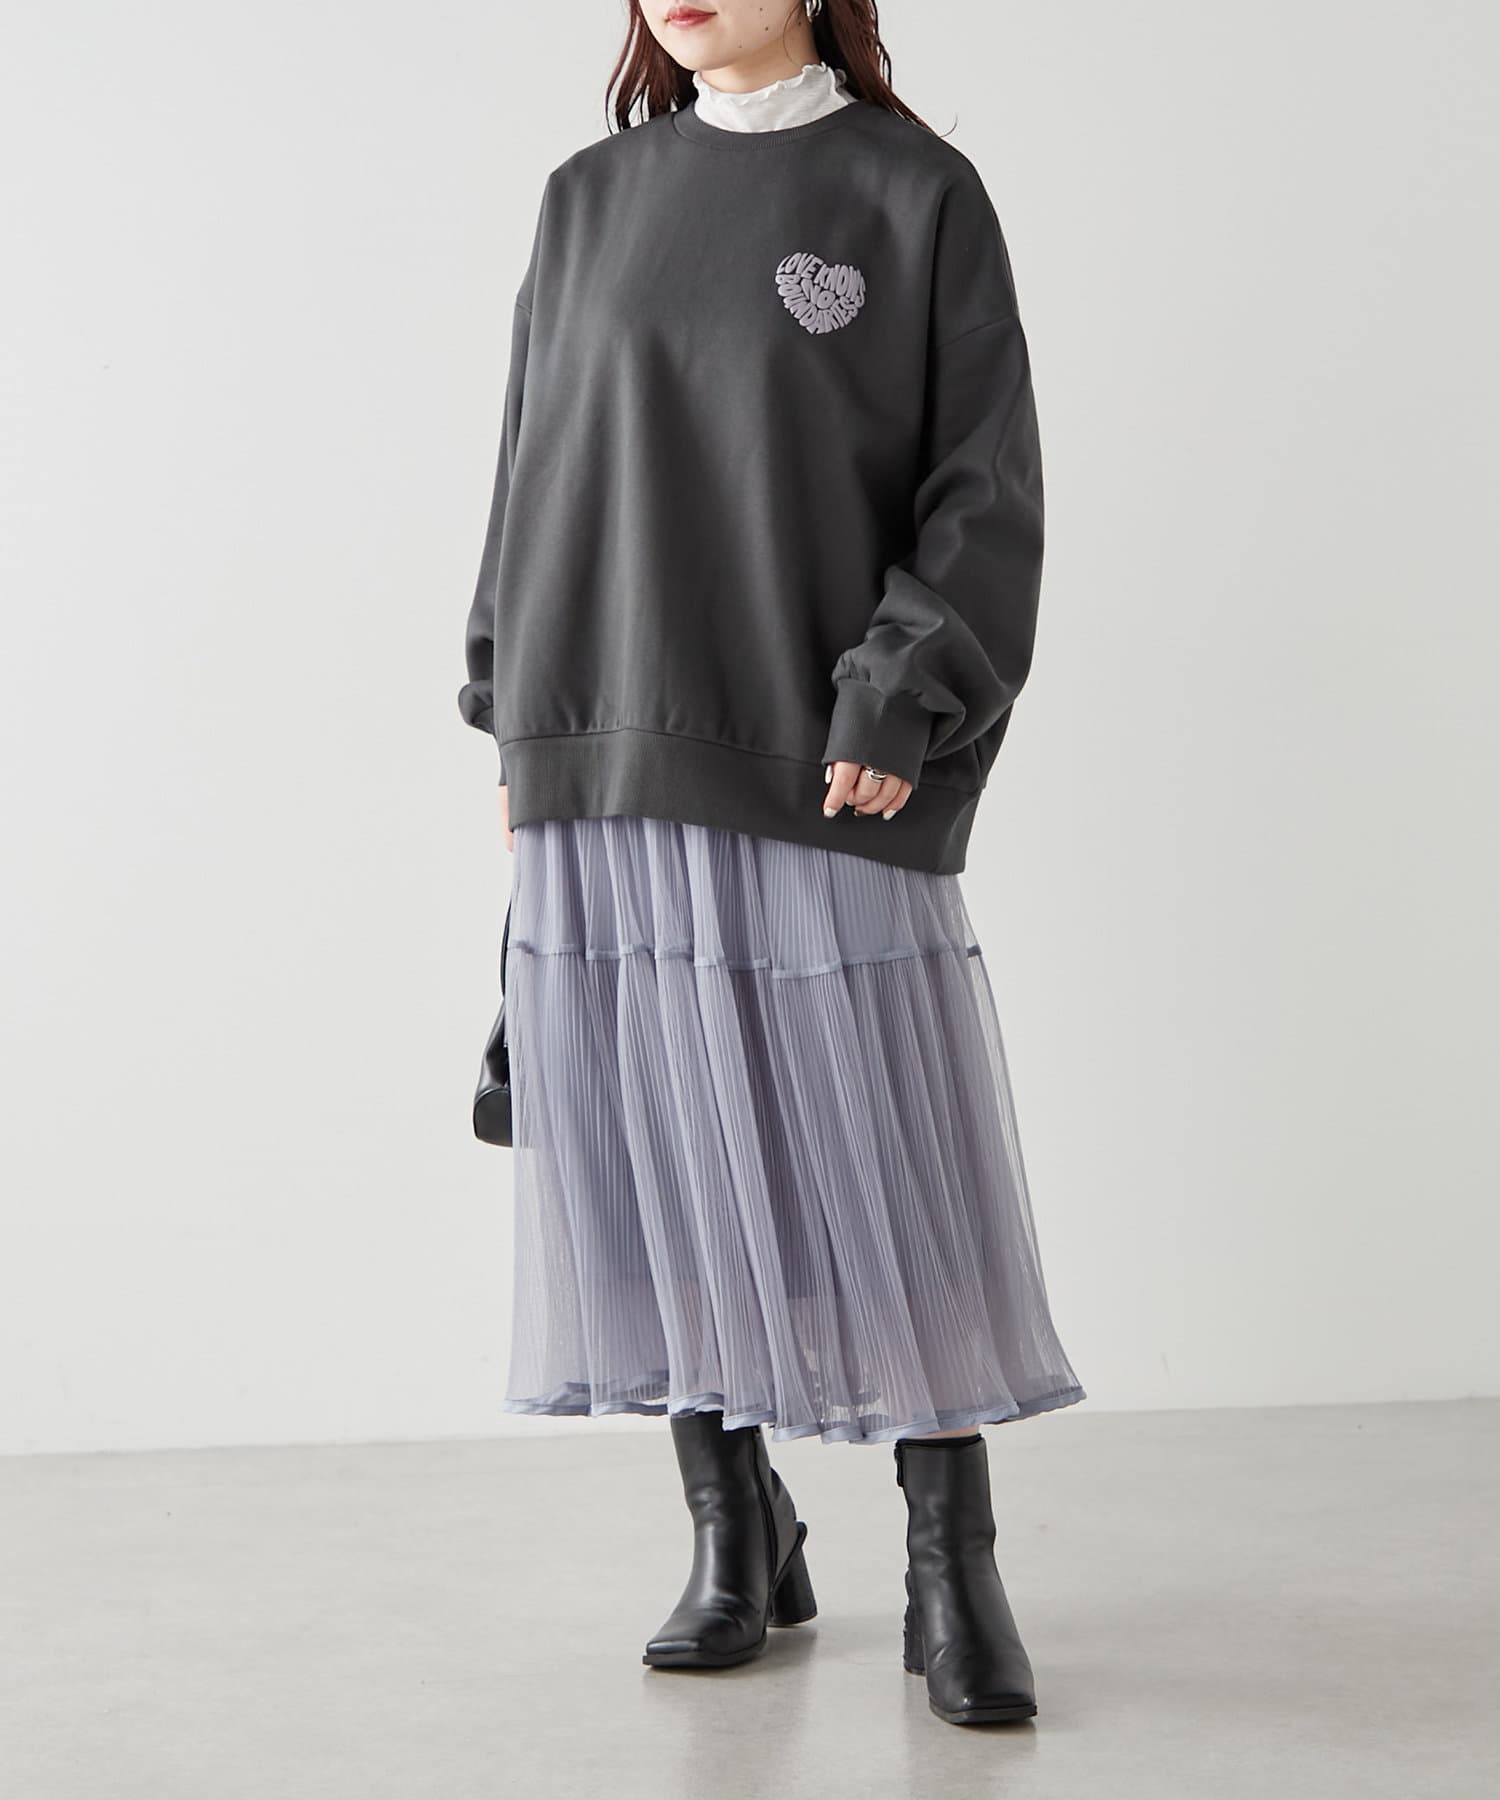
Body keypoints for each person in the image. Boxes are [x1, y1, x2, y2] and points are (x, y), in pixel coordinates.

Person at [457, 0, 1086, 1730]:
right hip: (602, 740)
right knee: (663, 1147)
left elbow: (982, 484)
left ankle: (952, 1566)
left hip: (823, 752)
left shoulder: (915, 193)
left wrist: (904, 689)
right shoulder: (588, 197)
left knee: (887, 1150)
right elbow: (530, 472)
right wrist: (517, 718)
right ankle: (738, 1534)